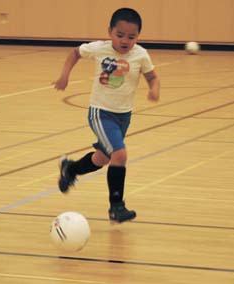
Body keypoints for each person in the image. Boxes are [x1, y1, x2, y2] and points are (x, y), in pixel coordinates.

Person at [54, 8, 160, 223]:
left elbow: (152, 77)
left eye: (131, 37)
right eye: (119, 35)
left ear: (138, 36)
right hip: (101, 113)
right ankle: (116, 207)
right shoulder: (99, 49)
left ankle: (70, 168)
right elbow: (74, 53)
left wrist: (154, 89)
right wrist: (64, 75)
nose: (125, 40)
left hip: (124, 116)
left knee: (102, 158)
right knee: (119, 155)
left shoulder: (140, 54)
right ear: (110, 31)